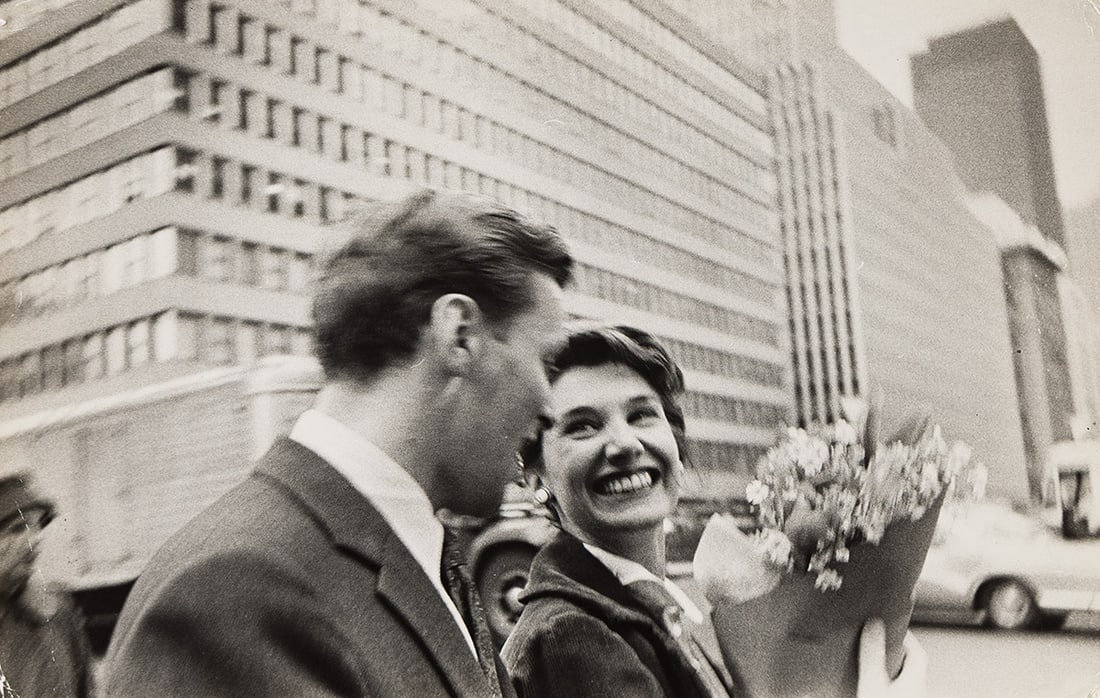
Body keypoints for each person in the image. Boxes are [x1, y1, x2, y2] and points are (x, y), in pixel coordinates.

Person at [105, 188, 573, 696]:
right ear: (459, 335)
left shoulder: (406, 549)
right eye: (546, 361)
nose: (550, 405)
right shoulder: (233, 591)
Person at [501, 324, 926, 697]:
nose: (625, 444)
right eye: (582, 426)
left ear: (676, 448)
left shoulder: (650, 603)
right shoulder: (568, 636)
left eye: (641, 415)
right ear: (536, 479)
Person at [0, 473, 94, 698]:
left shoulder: (59, 612)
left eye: (37, 527)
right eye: (17, 528)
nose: (35, 540)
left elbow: (85, 689)